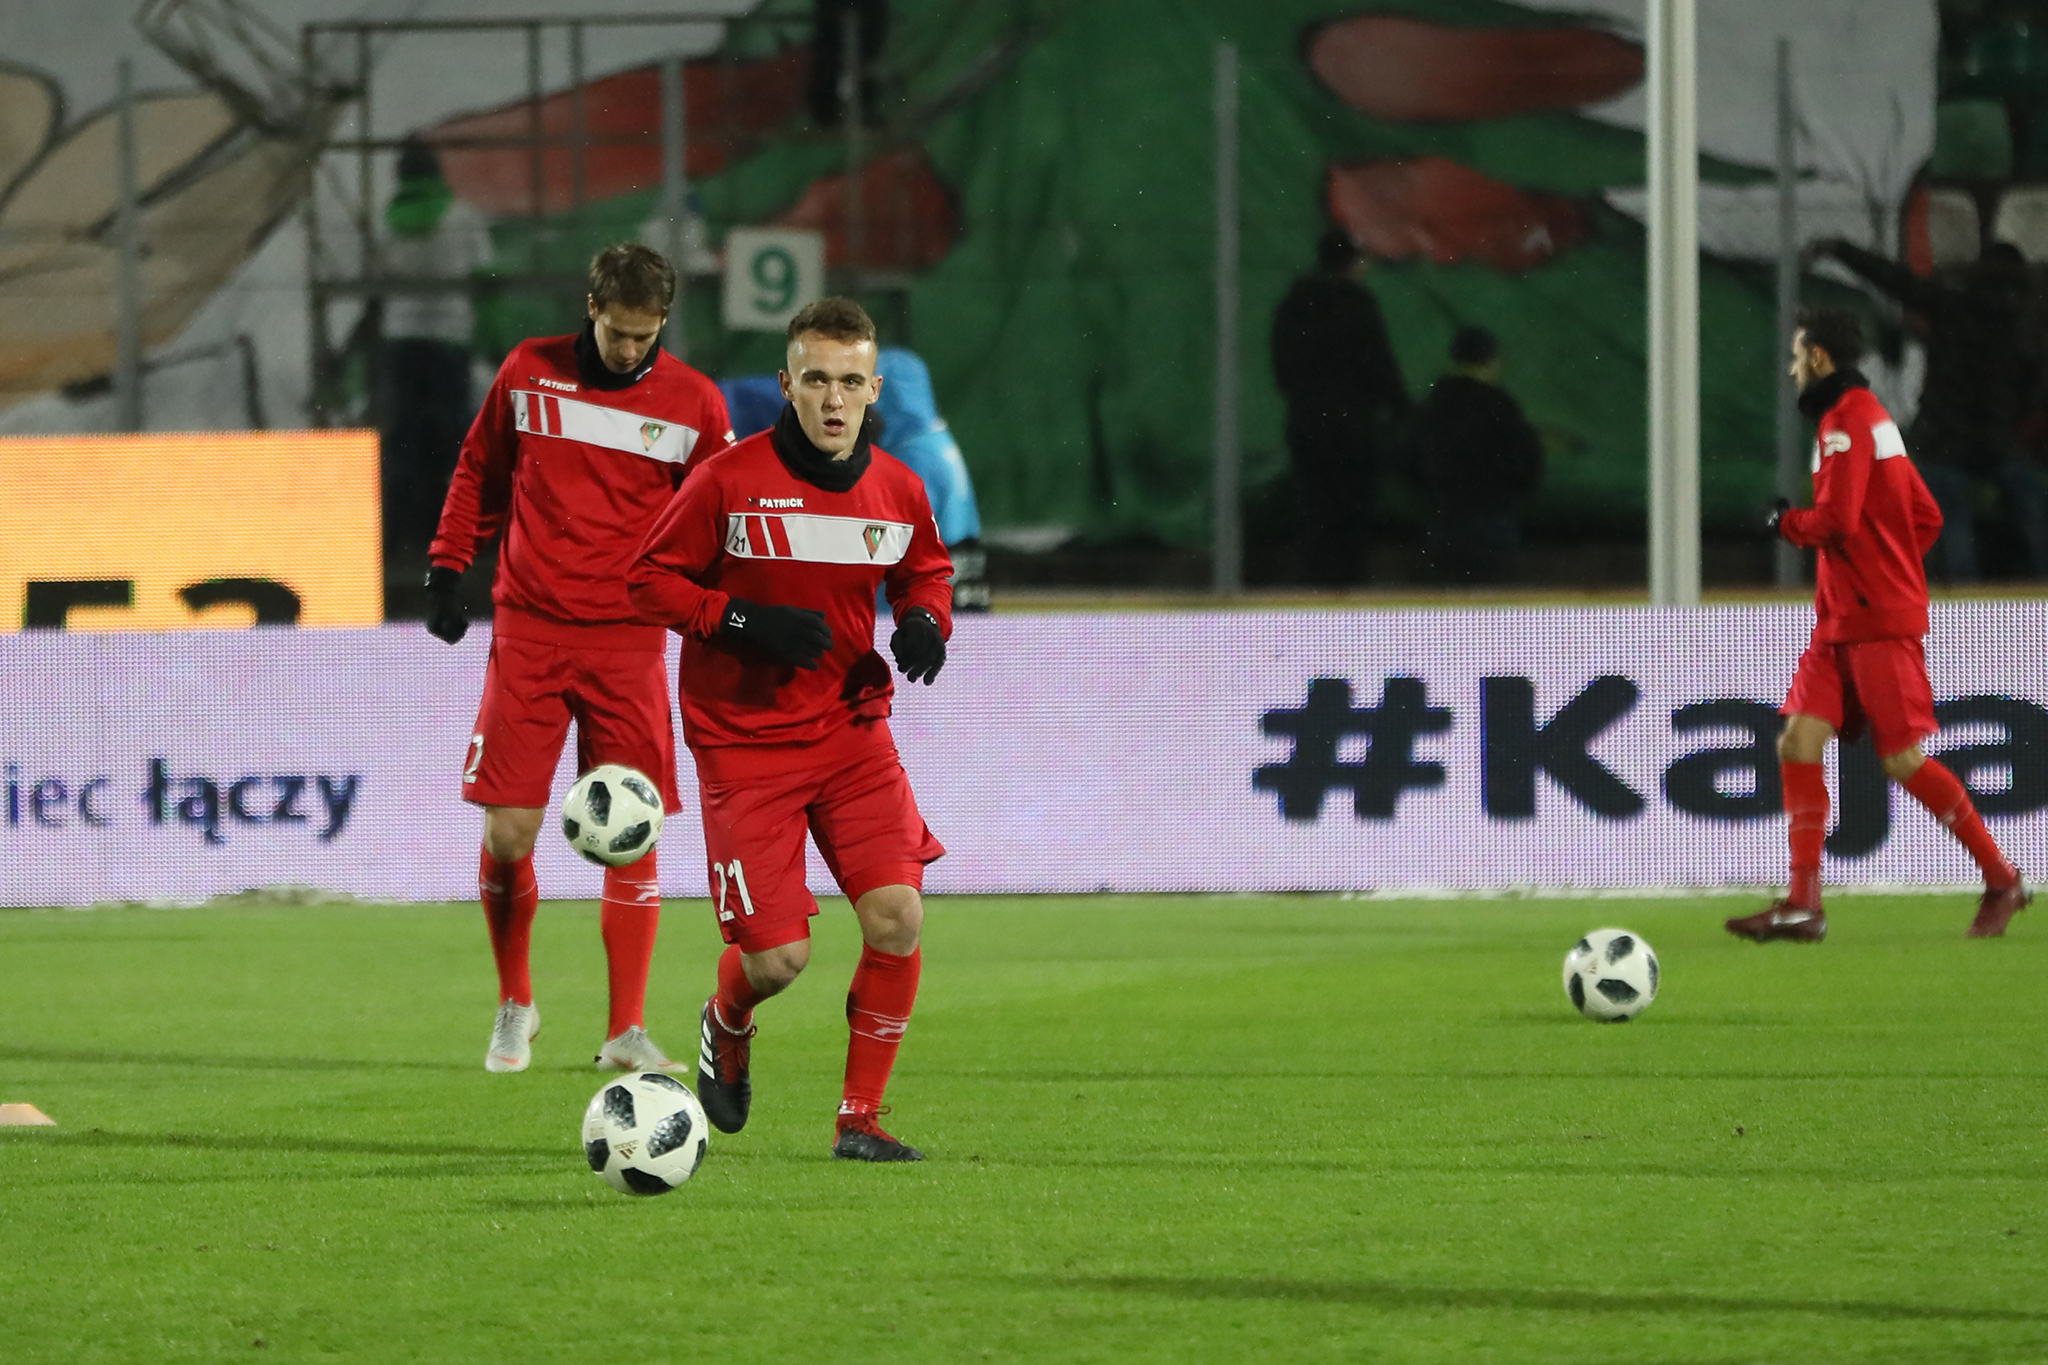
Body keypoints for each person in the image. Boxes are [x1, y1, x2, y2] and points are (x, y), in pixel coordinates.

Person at [627, 297, 954, 1162]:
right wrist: (740, 620)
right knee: (777, 961)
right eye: (816, 379)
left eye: (850, 381)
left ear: (874, 389)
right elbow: (648, 580)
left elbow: (926, 569)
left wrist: (926, 619)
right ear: (787, 384)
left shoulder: (897, 487)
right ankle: (727, 1019)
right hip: (745, 742)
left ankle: (860, 1120)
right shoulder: (726, 480)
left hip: (852, 733)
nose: (834, 398)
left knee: (898, 917)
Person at [425, 243, 734, 1073]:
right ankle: (515, 1003)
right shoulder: (529, 372)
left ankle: (625, 1031)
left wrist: (720, 615)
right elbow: (479, 469)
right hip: (529, 629)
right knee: (509, 831)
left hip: (629, 639)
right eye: (617, 331)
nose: (629, 349)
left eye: (645, 335)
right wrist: (448, 566)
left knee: (631, 834)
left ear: (663, 323)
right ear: (590, 307)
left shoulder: (696, 404)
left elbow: (720, 519)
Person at [1726, 308, 2030, 943]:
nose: (1791, 369)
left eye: (1796, 356)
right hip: (1844, 619)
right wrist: (1887, 570)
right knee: (1797, 744)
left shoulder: (1844, 424)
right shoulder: (1873, 417)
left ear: (1819, 358)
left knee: (1902, 760)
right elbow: (1925, 517)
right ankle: (1803, 904)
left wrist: (1783, 523)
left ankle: (2002, 879)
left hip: (1871, 620)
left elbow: (1836, 521)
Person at [1812, 238, 2047, 580]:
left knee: (1955, 517)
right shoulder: (2020, 325)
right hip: (1986, 442)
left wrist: (1841, 249)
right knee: (2026, 505)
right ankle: (2036, 586)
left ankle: (1967, 596)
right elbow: (2032, 391)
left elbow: (1896, 280)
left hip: (1948, 439)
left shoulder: (1954, 307)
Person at [1270, 226, 1409, 586]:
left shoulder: (1293, 304)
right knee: (1352, 509)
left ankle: (1315, 584)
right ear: (1353, 262)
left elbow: (1283, 370)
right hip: (1352, 425)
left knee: (1314, 507)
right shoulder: (1358, 304)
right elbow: (1378, 364)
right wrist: (1399, 406)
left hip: (1307, 420)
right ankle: (1347, 588)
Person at [378, 138, 493, 566]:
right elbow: (484, 274)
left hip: (402, 340)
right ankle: (456, 534)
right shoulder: (463, 216)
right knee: (452, 434)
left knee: (408, 437)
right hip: (450, 339)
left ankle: (412, 535)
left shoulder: (386, 221)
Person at [1405, 326, 1544, 584]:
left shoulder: (1433, 404)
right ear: (1492, 360)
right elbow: (1527, 460)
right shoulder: (1502, 406)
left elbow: (1409, 457)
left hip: (1444, 516)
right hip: (1493, 517)